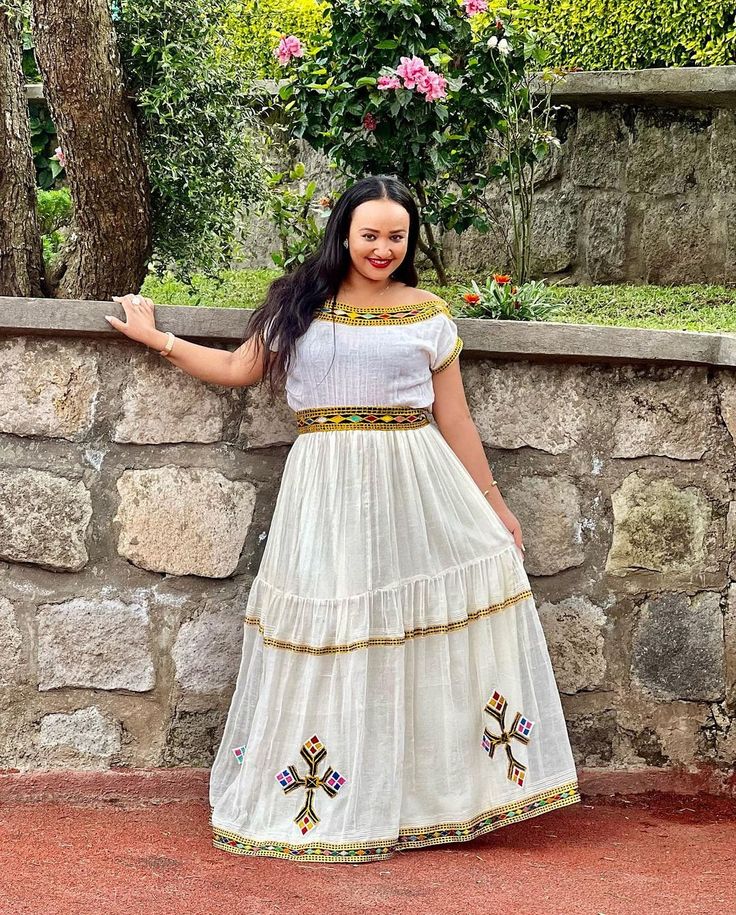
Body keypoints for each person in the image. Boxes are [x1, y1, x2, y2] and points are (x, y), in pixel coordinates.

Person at [105, 174, 580, 864]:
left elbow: (456, 419)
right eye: (370, 234)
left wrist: (495, 506)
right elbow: (241, 368)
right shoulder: (301, 303)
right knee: (331, 623)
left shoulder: (428, 314)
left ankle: (421, 796)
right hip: (324, 489)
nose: (382, 247)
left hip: (417, 489)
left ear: (410, 240)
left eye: (396, 236)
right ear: (344, 234)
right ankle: (334, 795)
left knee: (402, 632)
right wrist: (160, 340)